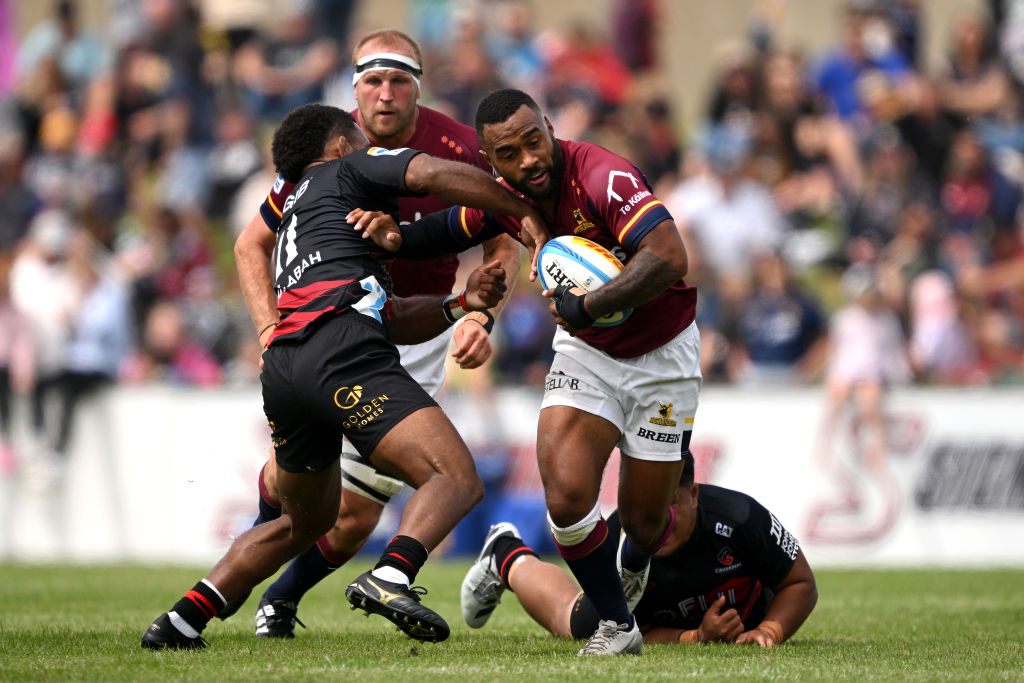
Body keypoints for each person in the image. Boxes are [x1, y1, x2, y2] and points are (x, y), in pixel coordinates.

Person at [140, 103, 545, 650]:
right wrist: (519, 208)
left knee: (303, 523)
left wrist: (458, 303)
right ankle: (392, 575)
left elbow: (389, 315)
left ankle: (181, 620)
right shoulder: (348, 168)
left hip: (286, 368)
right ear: (337, 146)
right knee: (455, 477)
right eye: (359, 138)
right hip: (341, 353)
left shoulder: (297, 222)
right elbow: (427, 174)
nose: (368, 145)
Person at [364, 88, 700, 656]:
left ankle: (629, 560)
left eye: (533, 142)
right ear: (489, 161)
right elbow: (444, 229)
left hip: (663, 356)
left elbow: (669, 257)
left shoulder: (602, 175)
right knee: (567, 497)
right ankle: (618, 627)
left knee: (645, 524)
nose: (528, 161)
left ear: (548, 127)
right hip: (586, 355)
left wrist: (588, 305)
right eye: (508, 154)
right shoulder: (505, 197)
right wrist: (392, 235)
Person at [224, 29, 523, 639]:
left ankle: (276, 601)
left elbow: (503, 232)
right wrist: (267, 329)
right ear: (354, 88)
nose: (385, 95)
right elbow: (249, 243)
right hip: (330, 328)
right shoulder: (324, 152)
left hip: (415, 334)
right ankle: (241, 572)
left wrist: (479, 313)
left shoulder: (458, 146)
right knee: (292, 483)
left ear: (418, 87)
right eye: (372, 82)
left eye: (399, 82)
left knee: (355, 516)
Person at [460, 451, 817, 647]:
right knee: (576, 622)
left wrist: (770, 630)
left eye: (669, 504)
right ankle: (506, 554)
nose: (655, 521)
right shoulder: (621, 538)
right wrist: (695, 637)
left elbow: (800, 583)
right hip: (652, 610)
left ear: (694, 494)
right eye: (646, 505)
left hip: (749, 612)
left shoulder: (740, 518)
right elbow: (634, 631)